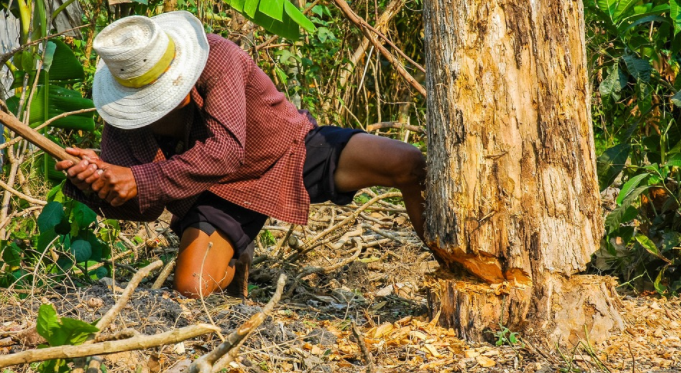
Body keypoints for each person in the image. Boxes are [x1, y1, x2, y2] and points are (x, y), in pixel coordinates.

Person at [56, 11, 426, 299]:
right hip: (215, 192)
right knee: (191, 287)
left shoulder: (218, 57)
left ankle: (456, 263)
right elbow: (148, 207)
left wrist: (136, 178)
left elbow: (225, 152)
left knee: (410, 165)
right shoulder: (121, 113)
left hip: (287, 151)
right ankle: (236, 256)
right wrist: (98, 184)